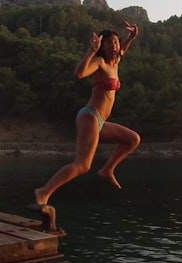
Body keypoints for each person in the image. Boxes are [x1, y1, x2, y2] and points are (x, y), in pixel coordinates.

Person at [34, 22, 141, 205]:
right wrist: (91, 51)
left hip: (100, 121)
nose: (114, 46)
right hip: (90, 116)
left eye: (116, 42)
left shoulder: (116, 62)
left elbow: (123, 50)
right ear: (102, 46)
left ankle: (107, 170)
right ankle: (43, 192)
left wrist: (131, 37)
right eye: (109, 43)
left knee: (133, 139)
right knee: (82, 165)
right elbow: (79, 73)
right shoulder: (99, 62)